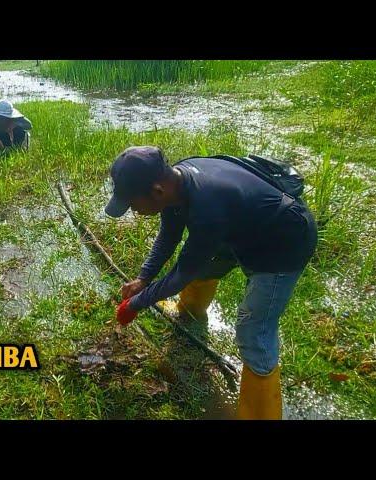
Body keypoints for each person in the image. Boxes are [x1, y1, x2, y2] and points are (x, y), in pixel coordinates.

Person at [105, 146, 317, 420]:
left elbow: (181, 275)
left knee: (253, 329)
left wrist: (134, 304)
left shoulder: (208, 209)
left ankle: (260, 414)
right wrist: (143, 279)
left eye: (133, 204)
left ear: (156, 191)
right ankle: (190, 312)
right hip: (241, 226)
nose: (133, 211)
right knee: (205, 266)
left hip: (283, 242)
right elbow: (168, 237)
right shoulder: (175, 183)